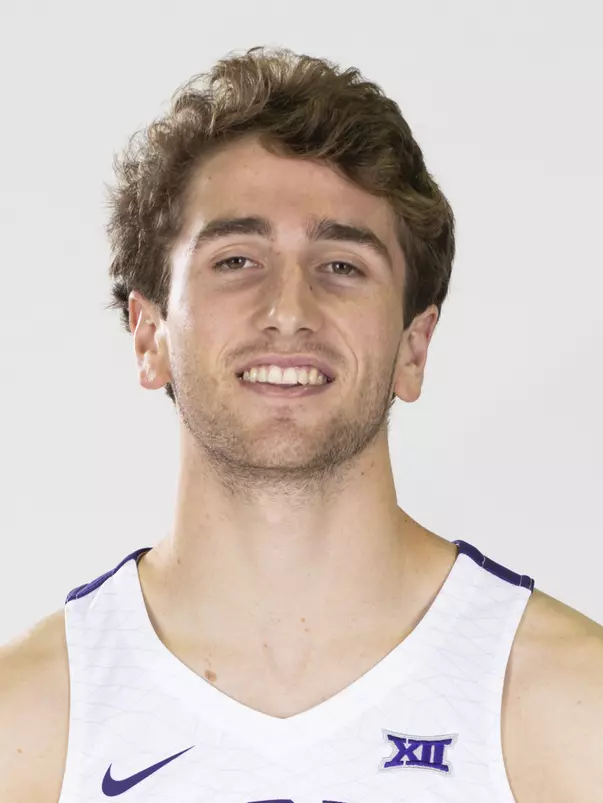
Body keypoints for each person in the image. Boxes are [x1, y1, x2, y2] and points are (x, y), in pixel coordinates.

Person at [1, 45, 601, 803]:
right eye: (236, 260)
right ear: (149, 336)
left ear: (413, 348)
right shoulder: (29, 725)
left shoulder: (573, 708)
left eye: (342, 265)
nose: (288, 310)